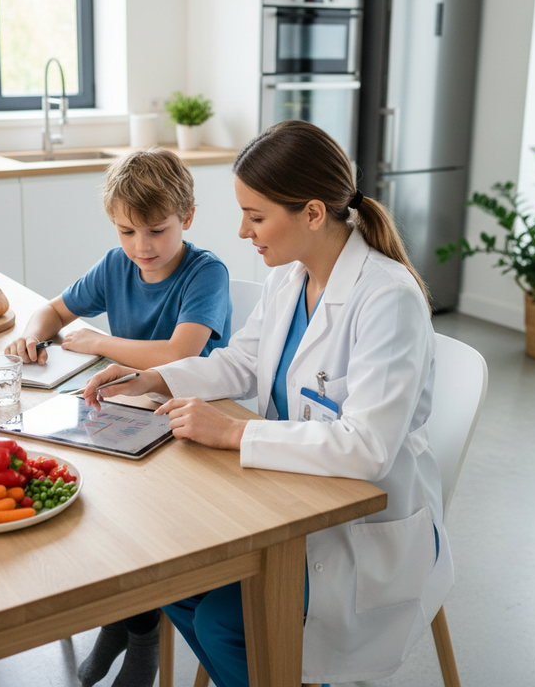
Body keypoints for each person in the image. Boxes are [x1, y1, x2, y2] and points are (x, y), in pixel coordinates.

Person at [81, 120, 453, 687]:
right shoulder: (291, 275)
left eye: (255, 217)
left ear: (312, 213)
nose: (242, 231)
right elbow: (242, 362)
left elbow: (369, 448)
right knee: (169, 582)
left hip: (354, 527)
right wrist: (154, 378)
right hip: (285, 496)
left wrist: (232, 433)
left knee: (223, 623)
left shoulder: (388, 298)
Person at [6, 148, 232, 687]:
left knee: (137, 516)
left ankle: (142, 631)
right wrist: (32, 336)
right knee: (92, 501)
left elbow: (180, 353)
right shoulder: (116, 264)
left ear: (187, 218)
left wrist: (100, 341)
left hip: (183, 419)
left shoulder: (206, 273)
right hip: (122, 411)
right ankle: (122, 620)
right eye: (127, 231)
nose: (141, 247)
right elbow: (54, 310)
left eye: (156, 230)